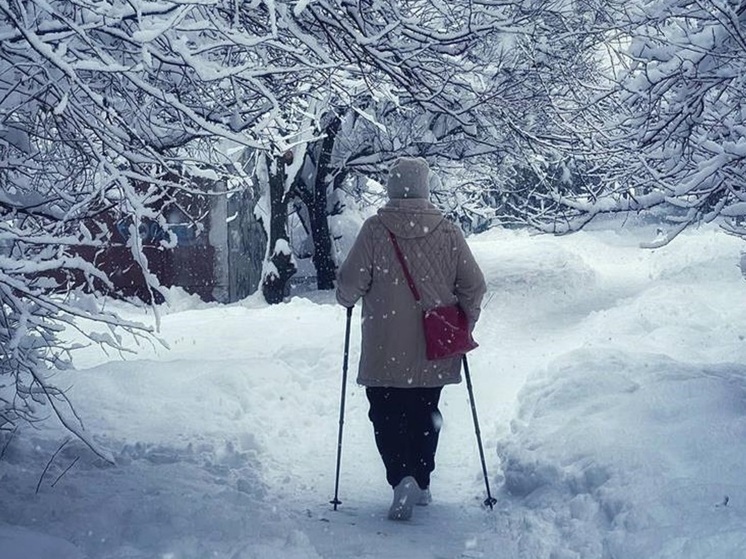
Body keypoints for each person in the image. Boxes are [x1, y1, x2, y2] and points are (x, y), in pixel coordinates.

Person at [335, 157, 486, 521]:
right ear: (424, 187)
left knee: (386, 415)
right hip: (432, 348)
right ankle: (421, 478)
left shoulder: (374, 229)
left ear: (391, 187)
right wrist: (464, 321)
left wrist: (348, 298)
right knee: (425, 413)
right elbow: (475, 285)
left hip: (385, 346)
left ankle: (401, 476)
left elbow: (348, 287)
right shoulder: (448, 231)